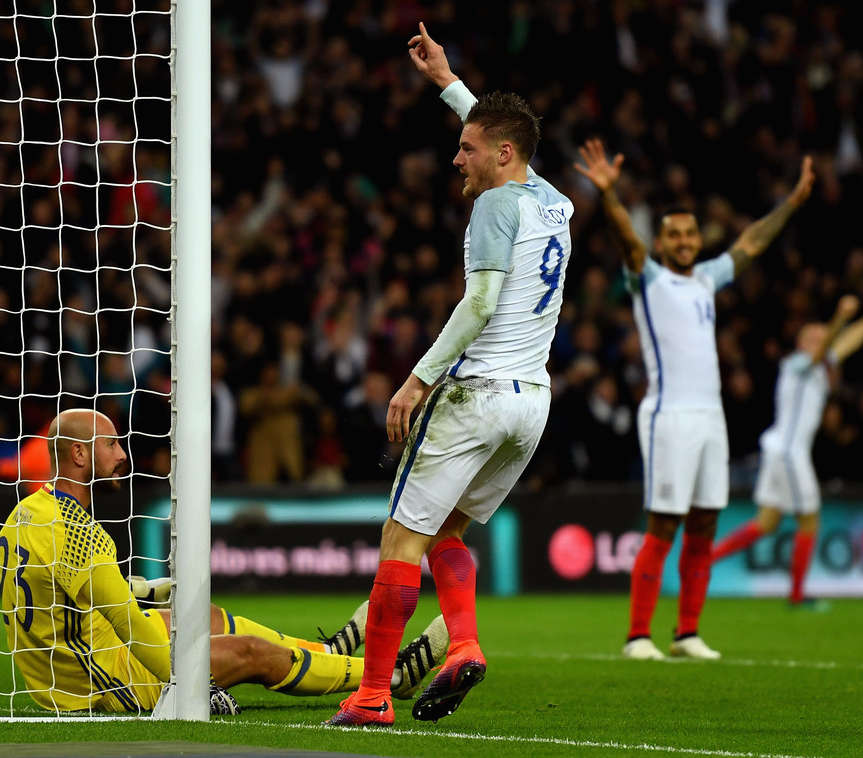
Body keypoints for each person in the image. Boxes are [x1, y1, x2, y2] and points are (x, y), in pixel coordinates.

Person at [326, 23, 574, 727]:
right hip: (532, 405)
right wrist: (447, 82)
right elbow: (507, 138)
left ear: (502, 154)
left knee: (400, 542)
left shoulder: (496, 205)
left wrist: (416, 380)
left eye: (467, 147)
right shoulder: (556, 206)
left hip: (477, 392)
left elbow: (481, 302)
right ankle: (462, 643)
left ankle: (372, 696)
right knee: (447, 538)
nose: (454, 156)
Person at [0, 408, 447, 714]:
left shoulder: (27, 513)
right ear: (78, 454)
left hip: (59, 675)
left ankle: (328, 653)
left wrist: (150, 589)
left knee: (204, 615)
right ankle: (392, 674)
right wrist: (190, 690)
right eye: (112, 444)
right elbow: (128, 626)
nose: (123, 455)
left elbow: (62, 593)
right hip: (103, 683)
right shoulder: (80, 533)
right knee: (254, 654)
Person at [574, 138, 816, 661]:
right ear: (661, 245)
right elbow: (627, 245)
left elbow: (751, 243)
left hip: (711, 417)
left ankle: (686, 632)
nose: (684, 240)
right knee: (665, 523)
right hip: (669, 416)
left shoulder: (706, 278)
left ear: (697, 237)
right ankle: (638, 635)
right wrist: (611, 199)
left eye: (689, 232)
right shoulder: (649, 277)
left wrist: (793, 204)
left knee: (706, 520)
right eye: (674, 235)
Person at [712, 296, 863, 605]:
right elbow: (828, 347)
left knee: (766, 523)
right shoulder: (796, 364)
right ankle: (797, 595)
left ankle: (703, 563)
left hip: (778, 451)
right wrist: (839, 317)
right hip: (789, 454)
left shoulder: (819, 365)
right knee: (809, 521)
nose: (819, 341)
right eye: (812, 336)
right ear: (799, 343)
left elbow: (847, 343)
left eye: (821, 336)